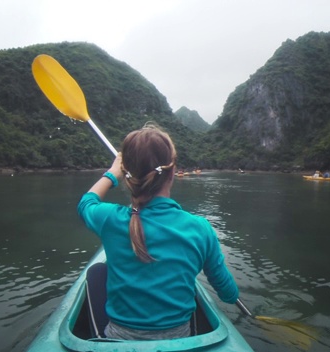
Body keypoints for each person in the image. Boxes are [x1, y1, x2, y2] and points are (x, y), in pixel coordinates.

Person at [77, 123, 239, 340]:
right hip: (180, 338)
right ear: (172, 173)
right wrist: (232, 294)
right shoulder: (200, 228)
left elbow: (86, 202)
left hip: (119, 337)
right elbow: (228, 294)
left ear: (127, 176)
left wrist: (112, 173)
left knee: (97, 272)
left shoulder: (110, 219)